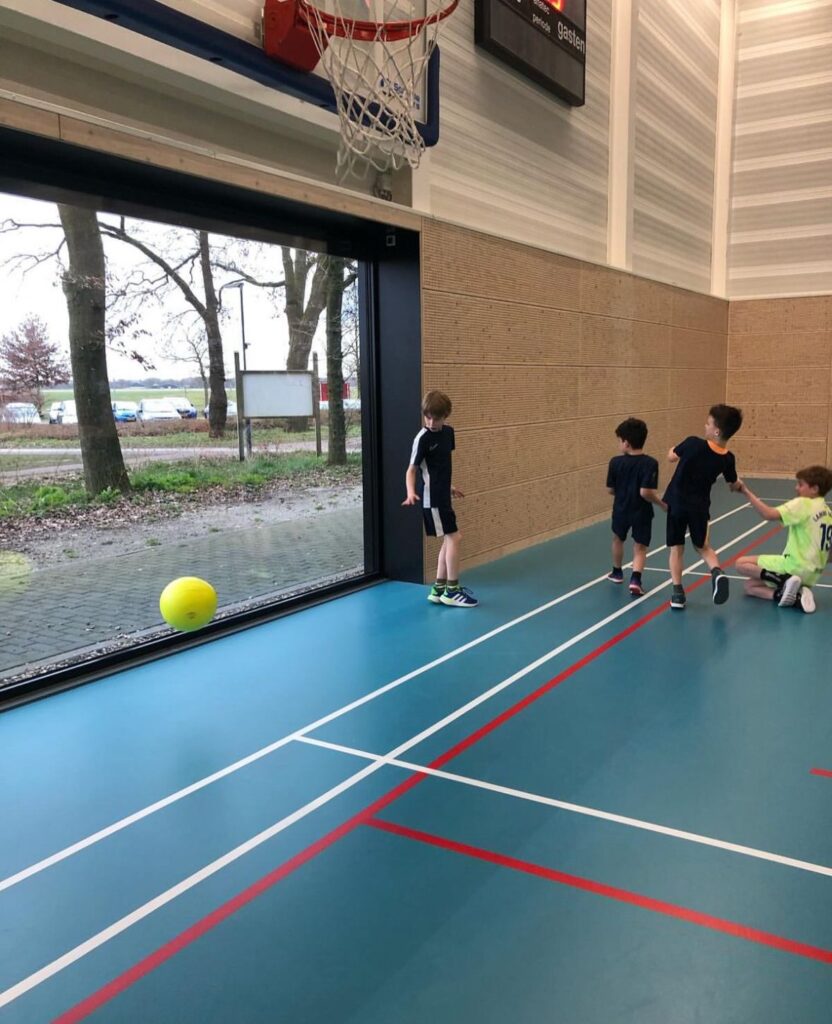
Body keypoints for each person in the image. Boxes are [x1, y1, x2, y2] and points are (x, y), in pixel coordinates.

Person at [663, 404, 744, 610]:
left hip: (677, 503)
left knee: (677, 549)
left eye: (708, 423)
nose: (704, 426)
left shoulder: (692, 443)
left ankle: (678, 594)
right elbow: (732, 484)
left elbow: (672, 456)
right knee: (704, 547)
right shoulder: (727, 458)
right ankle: (717, 572)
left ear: (716, 431)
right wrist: (738, 485)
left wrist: (672, 449)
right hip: (699, 508)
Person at [402, 390, 478, 608]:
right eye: (428, 417)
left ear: (446, 416)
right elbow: (412, 470)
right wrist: (410, 492)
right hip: (431, 498)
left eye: (437, 417)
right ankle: (452, 590)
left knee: (449, 539)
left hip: (443, 495)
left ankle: (439, 588)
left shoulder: (448, 433)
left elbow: (439, 467)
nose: (432, 422)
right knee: (455, 538)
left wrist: (450, 487)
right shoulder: (422, 438)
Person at [734, 466, 832, 614]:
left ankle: (784, 581)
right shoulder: (828, 512)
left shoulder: (803, 503)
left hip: (794, 567)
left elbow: (768, 514)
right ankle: (791, 597)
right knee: (750, 586)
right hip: (812, 576)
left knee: (741, 563)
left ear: (814, 489)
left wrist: (745, 491)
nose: (796, 488)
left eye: (800, 484)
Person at [606, 417, 666, 595]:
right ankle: (635, 579)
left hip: (621, 508)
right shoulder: (650, 463)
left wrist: (623, 492)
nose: (619, 444)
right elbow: (646, 493)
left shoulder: (615, 462)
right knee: (640, 546)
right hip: (641, 511)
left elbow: (610, 490)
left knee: (618, 538)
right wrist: (661, 503)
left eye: (619, 440)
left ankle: (617, 572)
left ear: (626, 443)